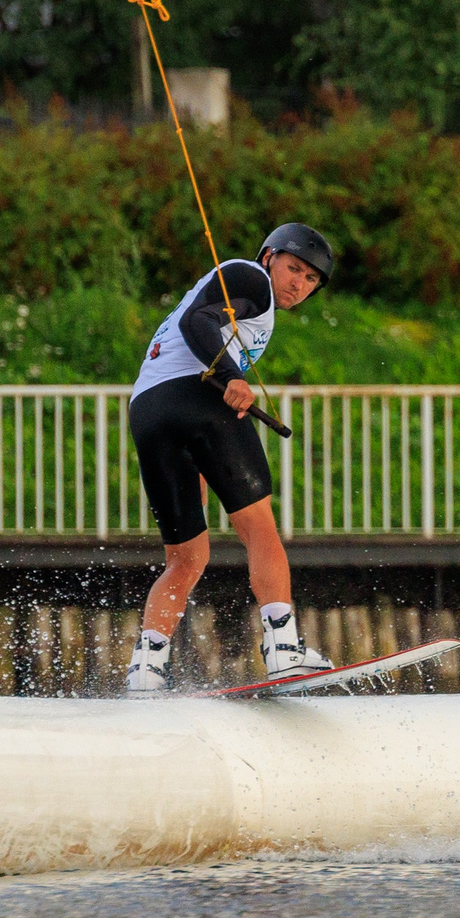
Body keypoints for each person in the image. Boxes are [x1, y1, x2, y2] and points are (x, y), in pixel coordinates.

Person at [123, 223, 336, 695]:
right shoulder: (249, 278)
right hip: (196, 399)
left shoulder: (240, 293)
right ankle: (283, 650)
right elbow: (197, 323)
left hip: (149, 414)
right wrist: (231, 375)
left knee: (186, 557)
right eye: (293, 268)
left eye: (310, 280)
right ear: (268, 258)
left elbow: (187, 331)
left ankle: (147, 669)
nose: (298, 283)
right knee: (260, 530)